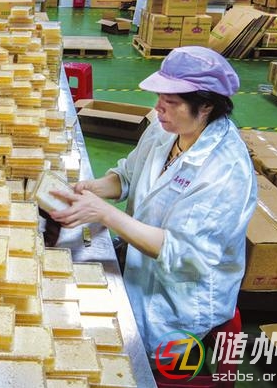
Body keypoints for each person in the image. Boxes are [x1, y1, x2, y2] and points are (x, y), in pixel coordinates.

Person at [49, 46, 257, 363]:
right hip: (136, 263)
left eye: (171, 102)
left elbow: (181, 252)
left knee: (89, 349)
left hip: (175, 298)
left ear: (206, 106)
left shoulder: (225, 171)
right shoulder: (166, 130)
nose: (158, 108)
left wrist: (104, 213)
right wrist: (92, 187)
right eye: (160, 97)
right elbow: (128, 175)